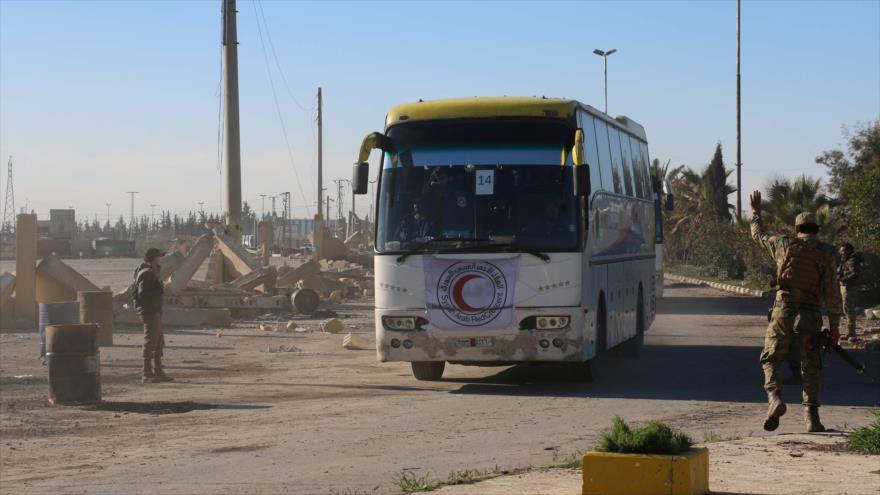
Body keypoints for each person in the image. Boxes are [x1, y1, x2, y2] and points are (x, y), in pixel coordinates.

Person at [750, 191, 841, 433]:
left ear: (797, 228)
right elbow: (832, 293)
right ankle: (812, 418)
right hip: (810, 315)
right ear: (816, 229)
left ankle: (775, 399)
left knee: (771, 359)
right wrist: (834, 328)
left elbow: (758, 235)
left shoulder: (782, 244)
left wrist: (756, 213)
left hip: (783, 311)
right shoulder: (827, 253)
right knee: (810, 365)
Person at [133, 247, 172, 383]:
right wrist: (157, 291)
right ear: (154, 258)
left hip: (153, 311)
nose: (160, 258)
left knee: (158, 341)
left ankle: (158, 371)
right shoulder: (147, 272)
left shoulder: (151, 270)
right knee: (150, 341)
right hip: (149, 311)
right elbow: (143, 293)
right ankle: (147, 373)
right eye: (158, 256)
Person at [837, 242, 861, 341]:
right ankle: (850, 333)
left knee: (849, 310)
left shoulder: (852, 261)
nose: (841, 253)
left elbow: (855, 273)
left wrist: (843, 279)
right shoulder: (847, 260)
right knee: (846, 309)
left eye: (842, 251)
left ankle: (851, 334)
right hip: (846, 287)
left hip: (848, 287)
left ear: (848, 251)